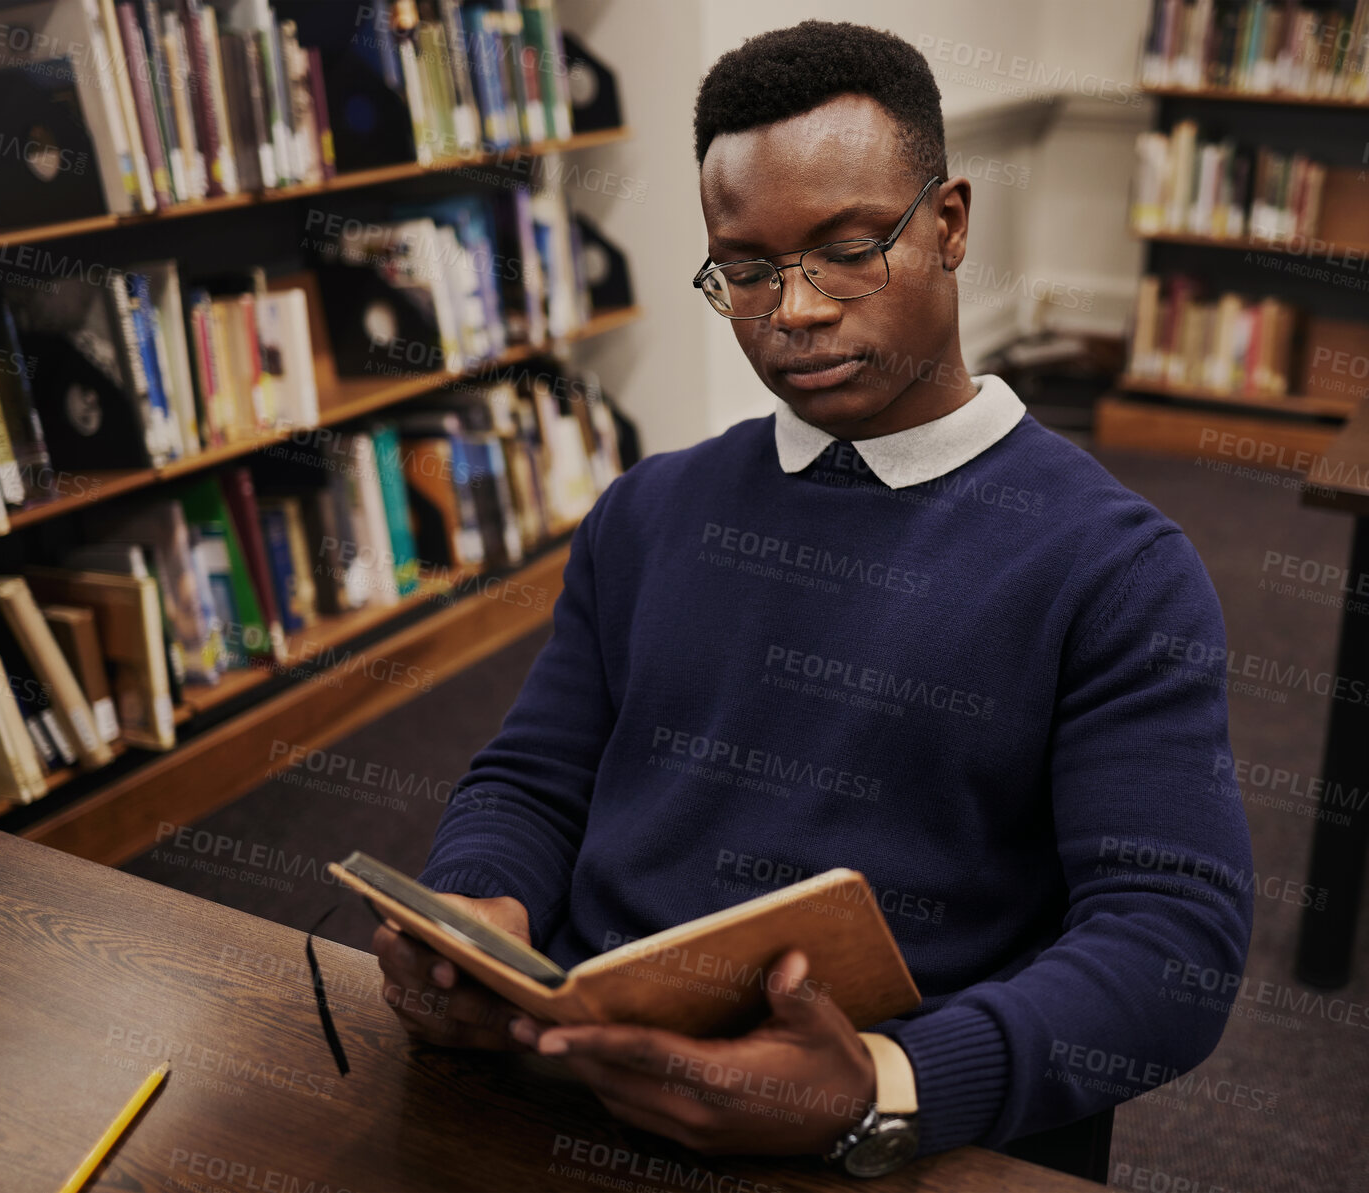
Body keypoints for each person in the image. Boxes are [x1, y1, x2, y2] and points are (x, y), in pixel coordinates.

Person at [374, 19, 1254, 1177]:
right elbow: (533, 781)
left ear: (948, 225)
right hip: (576, 1083)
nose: (792, 308)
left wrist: (890, 1087)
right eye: (744, 269)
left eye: (845, 249)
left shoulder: (1114, 568)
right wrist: (476, 915)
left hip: (889, 1136)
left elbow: (1168, 942)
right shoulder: (647, 511)